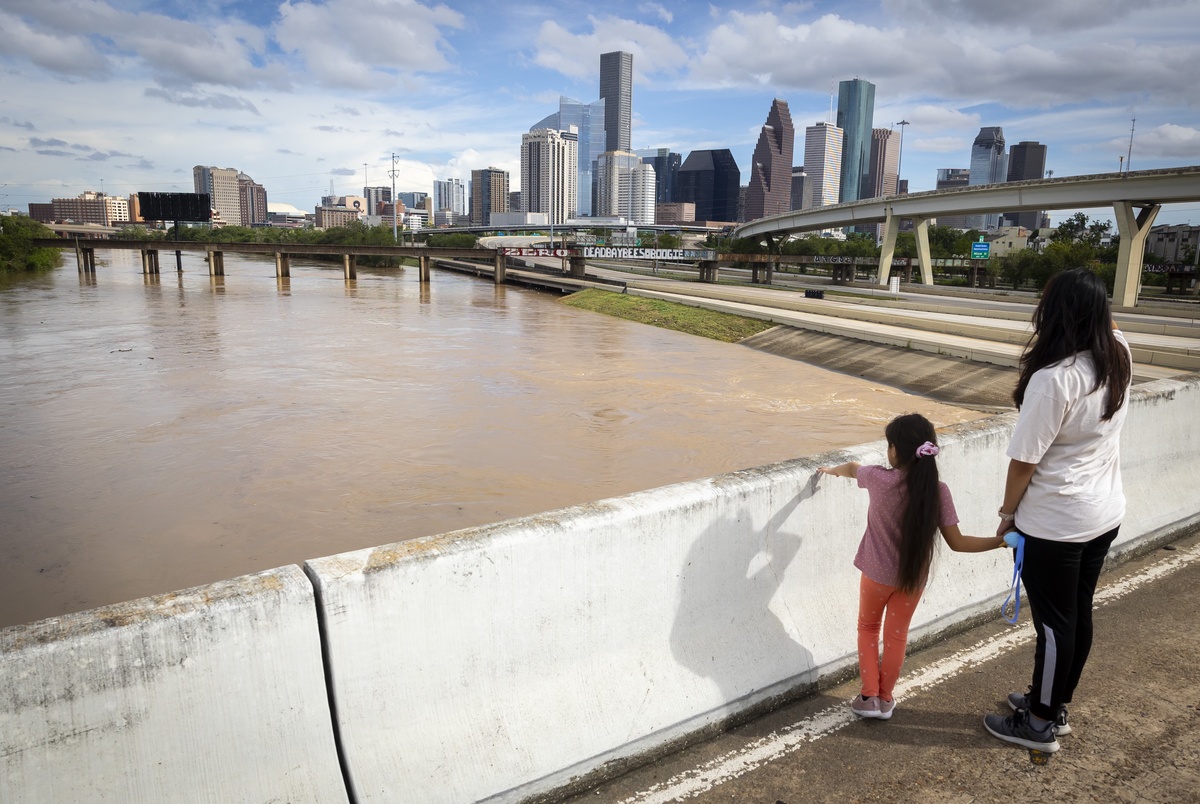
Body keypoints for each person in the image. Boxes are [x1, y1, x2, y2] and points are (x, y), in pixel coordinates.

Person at [983, 267, 1133, 753]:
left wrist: (1007, 513)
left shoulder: (1054, 380)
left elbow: (1023, 462)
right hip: (1103, 514)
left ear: (1054, 314)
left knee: (1053, 624)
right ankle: (1053, 702)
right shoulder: (1117, 354)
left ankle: (1040, 723)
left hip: (1056, 522)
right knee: (1076, 615)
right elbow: (1108, 327)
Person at [819, 413, 1005, 720]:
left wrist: (831, 471)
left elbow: (852, 468)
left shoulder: (879, 479)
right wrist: (1000, 542)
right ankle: (886, 698)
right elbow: (958, 543)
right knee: (896, 636)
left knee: (867, 629)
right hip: (912, 581)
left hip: (876, 576)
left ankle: (869, 697)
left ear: (894, 450)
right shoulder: (938, 490)